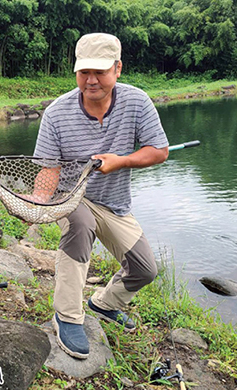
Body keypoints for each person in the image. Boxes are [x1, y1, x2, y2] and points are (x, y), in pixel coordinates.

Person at [33, 33, 169, 359]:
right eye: (84, 72)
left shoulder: (137, 102)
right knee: (79, 226)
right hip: (72, 198)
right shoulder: (56, 113)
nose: (91, 80)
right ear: (76, 71)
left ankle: (103, 303)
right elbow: (48, 170)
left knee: (144, 270)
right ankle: (67, 316)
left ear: (117, 68)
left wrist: (121, 160)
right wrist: (38, 199)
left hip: (115, 204)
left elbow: (159, 151)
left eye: (100, 72)